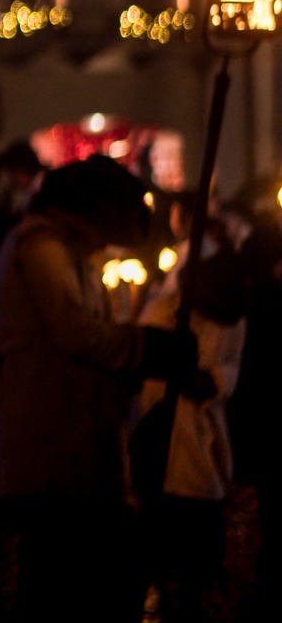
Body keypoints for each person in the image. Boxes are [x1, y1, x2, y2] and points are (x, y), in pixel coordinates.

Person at [0, 156, 196, 623]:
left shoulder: (73, 251)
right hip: (46, 447)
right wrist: (144, 348)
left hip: (76, 445)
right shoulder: (40, 245)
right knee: (57, 582)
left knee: (88, 573)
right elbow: (73, 330)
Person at [133, 244, 246, 623]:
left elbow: (229, 368)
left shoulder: (233, 319)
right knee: (166, 551)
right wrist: (177, 371)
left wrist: (212, 382)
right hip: (167, 446)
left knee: (200, 555)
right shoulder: (165, 312)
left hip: (207, 447)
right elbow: (146, 378)